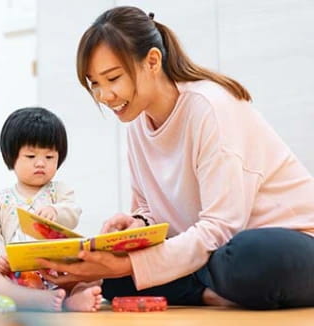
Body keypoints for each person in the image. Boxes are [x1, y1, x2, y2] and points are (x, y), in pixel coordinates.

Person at [37, 6, 314, 310]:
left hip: (290, 242)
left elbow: (221, 228)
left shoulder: (210, 107)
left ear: (152, 61)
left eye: (112, 78)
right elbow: (150, 209)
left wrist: (134, 264)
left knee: (248, 257)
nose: (104, 95)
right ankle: (211, 292)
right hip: (215, 251)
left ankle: (204, 287)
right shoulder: (137, 124)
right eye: (95, 84)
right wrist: (136, 223)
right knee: (115, 279)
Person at [0, 107, 102, 312]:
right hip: (13, 273)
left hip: (56, 272)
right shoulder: (0, 199)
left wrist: (56, 211)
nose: (40, 163)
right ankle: (28, 299)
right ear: (11, 157)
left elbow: (72, 213)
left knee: (93, 276)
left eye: (49, 157)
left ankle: (71, 300)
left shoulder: (59, 192)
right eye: (31, 156)